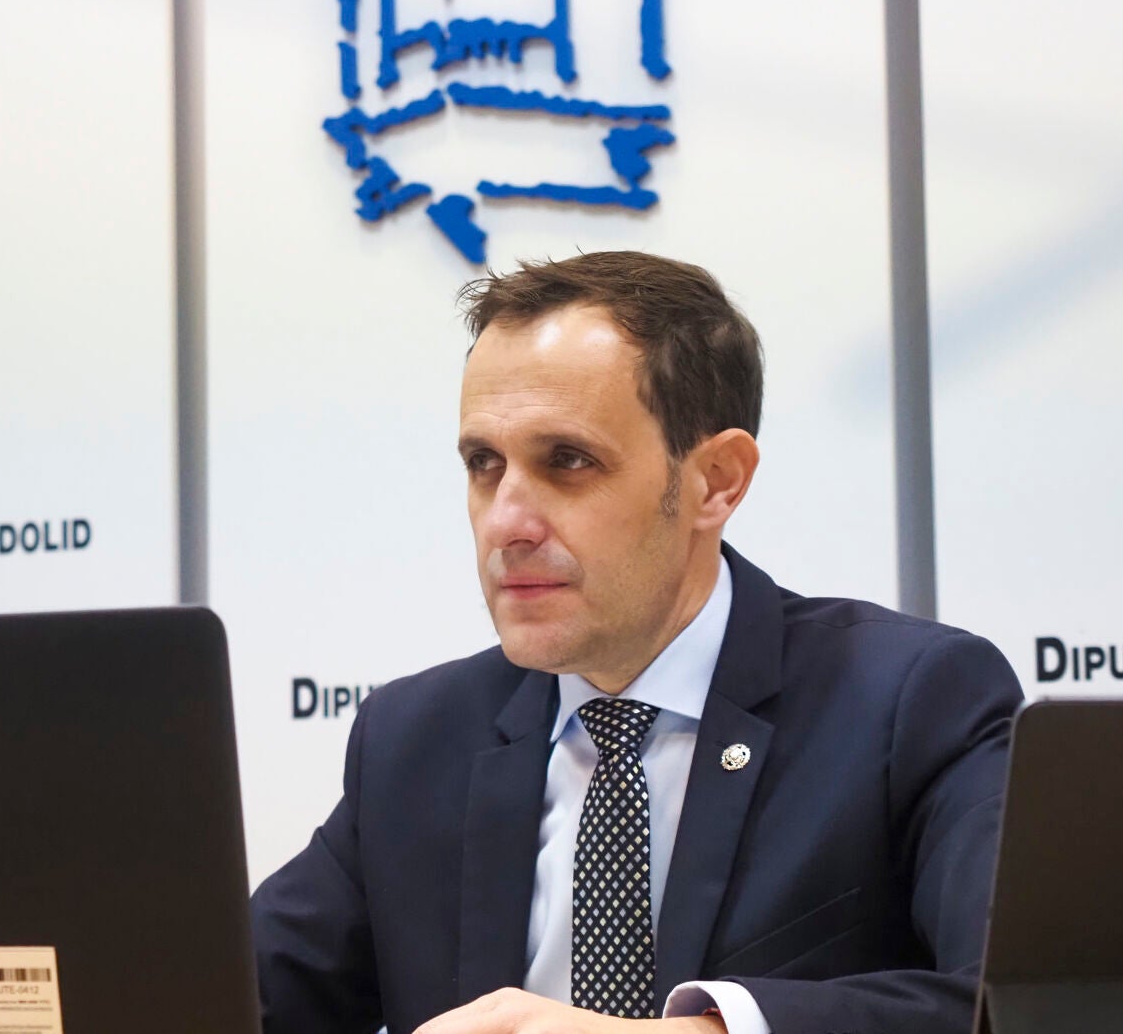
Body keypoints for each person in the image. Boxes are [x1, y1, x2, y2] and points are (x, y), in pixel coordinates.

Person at [249, 251, 1022, 1034]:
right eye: (484, 463)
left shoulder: (910, 703)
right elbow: (227, 998)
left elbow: (1024, 1000)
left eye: (568, 460)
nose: (506, 523)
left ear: (717, 479)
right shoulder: (415, 739)